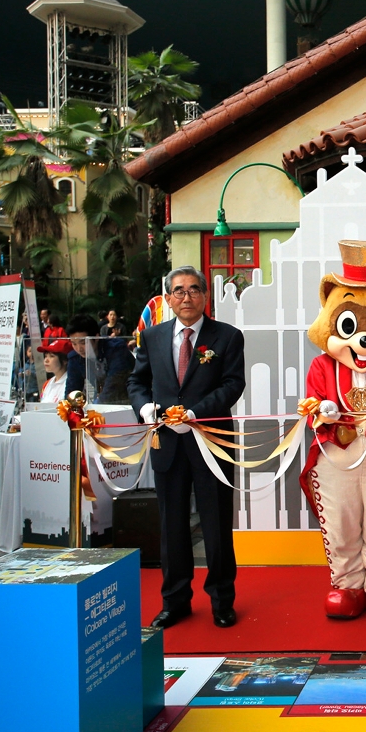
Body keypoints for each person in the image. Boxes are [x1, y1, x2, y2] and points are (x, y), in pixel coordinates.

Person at [128, 267, 245, 630]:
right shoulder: (152, 336)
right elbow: (137, 382)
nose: (187, 297)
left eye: (194, 290)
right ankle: (175, 601)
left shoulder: (227, 336)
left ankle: (222, 601)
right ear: (168, 297)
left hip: (212, 442)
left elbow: (232, 385)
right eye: (178, 291)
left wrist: (194, 413)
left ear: (205, 295)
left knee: (216, 526)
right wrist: (146, 409)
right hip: (168, 446)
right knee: (172, 526)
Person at [98, 310, 134, 404]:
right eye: (111, 315)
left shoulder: (121, 327)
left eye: (114, 314)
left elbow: (124, 340)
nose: (112, 316)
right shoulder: (103, 328)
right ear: (107, 317)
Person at [66, 314, 100, 395]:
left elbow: (114, 385)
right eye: (74, 344)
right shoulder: (75, 358)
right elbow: (72, 390)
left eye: (83, 342)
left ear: (96, 337)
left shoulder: (114, 350)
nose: (79, 349)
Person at [38, 338, 72, 405]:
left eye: (51, 356)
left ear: (65, 360)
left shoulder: (71, 384)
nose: (46, 360)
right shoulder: (47, 384)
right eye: (45, 356)